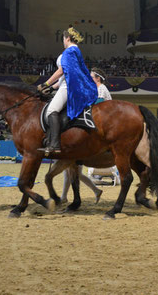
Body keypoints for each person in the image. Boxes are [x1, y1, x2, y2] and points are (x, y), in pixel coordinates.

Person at [37, 27, 98, 154]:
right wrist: (51, 88)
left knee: (51, 110)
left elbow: (61, 72)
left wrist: (45, 83)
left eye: (63, 39)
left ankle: (54, 144)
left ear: (68, 38)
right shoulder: (76, 51)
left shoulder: (69, 52)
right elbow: (65, 76)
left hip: (69, 87)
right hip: (69, 85)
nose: (63, 42)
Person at [61, 68, 114, 203]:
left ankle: (64, 197)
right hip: (99, 121)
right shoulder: (96, 89)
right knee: (72, 172)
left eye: (91, 77)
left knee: (73, 172)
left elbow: (97, 108)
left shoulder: (101, 88)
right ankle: (66, 196)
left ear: (98, 78)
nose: (89, 79)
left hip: (103, 123)